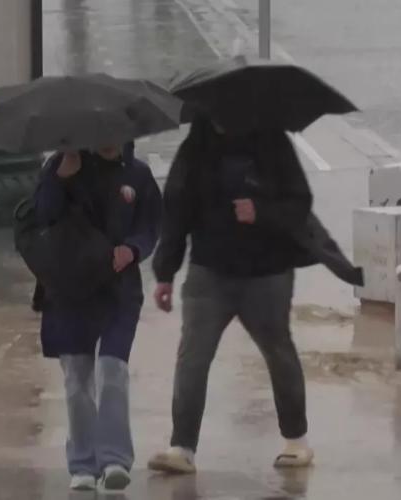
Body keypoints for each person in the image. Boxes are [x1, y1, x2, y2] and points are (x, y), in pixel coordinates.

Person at [147, 118, 316, 474]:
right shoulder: (196, 147)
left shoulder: (273, 143)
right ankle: (182, 448)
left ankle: (296, 441)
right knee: (192, 357)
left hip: (267, 274)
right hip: (209, 273)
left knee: (278, 351)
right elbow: (177, 209)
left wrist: (261, 212)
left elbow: (299, 203)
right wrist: (165, 272)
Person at [34, 143, 162, 491]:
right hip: (70, 290)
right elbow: (43, 215)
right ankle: (83, 463)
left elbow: (151, 225)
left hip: (120, 290)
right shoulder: (61, 165)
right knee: (77, 377)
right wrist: (62, 177)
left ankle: (115, 459)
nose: (109, 139)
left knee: (112, 368)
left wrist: (133, 249)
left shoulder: (138, 174)